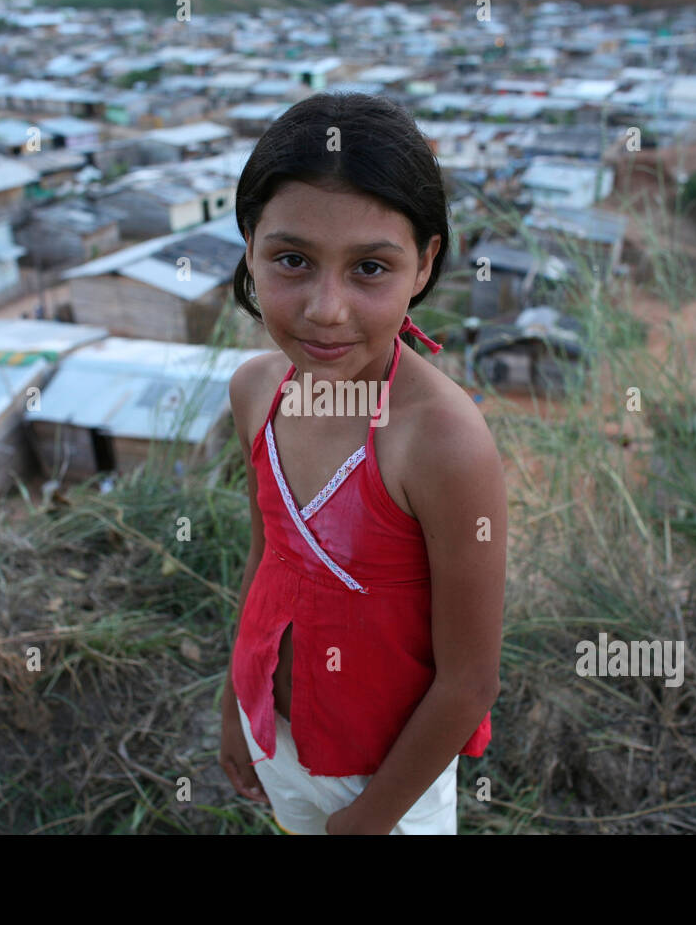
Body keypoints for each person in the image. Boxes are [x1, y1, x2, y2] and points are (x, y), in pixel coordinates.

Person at [219, 92, 506, 835]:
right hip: (274, 737)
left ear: (425, 265)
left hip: (390, 782)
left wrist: (369, 820)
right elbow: (267, 561)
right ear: (249, 243)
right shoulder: (255, 391)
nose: (326, 308)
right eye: (292, 260)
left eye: (370, 268)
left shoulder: (441, 440)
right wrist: (235, 707)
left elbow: (470, 680)